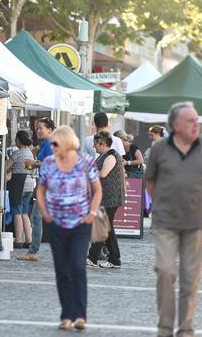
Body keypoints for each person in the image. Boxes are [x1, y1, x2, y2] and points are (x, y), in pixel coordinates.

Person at [144, 102, 202, 337]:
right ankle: (165, 328)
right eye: (190, 121)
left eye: (197, 120)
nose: (196, 124)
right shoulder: (159, 149)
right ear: (175, 125)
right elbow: (150, 182)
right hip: (165, 221)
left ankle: (185, 329)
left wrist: (198, 201)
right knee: (166, 271)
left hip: (198, 223)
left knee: (190, 278)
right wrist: (165, 204)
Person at [36, 126, 102, 331]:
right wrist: (45, 212)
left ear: (66, 142)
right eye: (51, 144)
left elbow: (97, 189)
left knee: (77, 266)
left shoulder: (85, 161)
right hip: (57, 224)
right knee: (62, 270)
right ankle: (66, 316)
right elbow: (41, 189)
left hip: (81, 223)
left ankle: (80, 315)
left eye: (55, 143)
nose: (52, 147)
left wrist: (92, 213)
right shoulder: (48, 163)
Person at [18, 117, 55, 261]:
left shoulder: (50, 143)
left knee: (37, 216)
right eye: (37, 128)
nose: (38, 131)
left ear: (50, 129)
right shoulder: (47, 143)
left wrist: (35, 163)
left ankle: (33, 251)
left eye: (41, 128)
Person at [86, 131, 125, 269]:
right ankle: (114, 259)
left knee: (102, 226)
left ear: (103, 144)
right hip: (105, 196)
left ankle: (93, 257)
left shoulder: (112, 155)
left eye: (95, 144)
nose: (94, 146)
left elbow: (103, 173)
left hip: (110, 197)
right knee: (107, 228)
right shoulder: (104, 155)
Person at [6, 130, 34, 248]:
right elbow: (30, 169)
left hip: (18, 183)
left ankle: (18, 240)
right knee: (25, 212)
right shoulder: (30, 153)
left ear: (18, 140)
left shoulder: (16, 154)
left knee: (16, 212)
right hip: (29, 183)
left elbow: (5, 167)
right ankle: (28, 240)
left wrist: (9, 169)